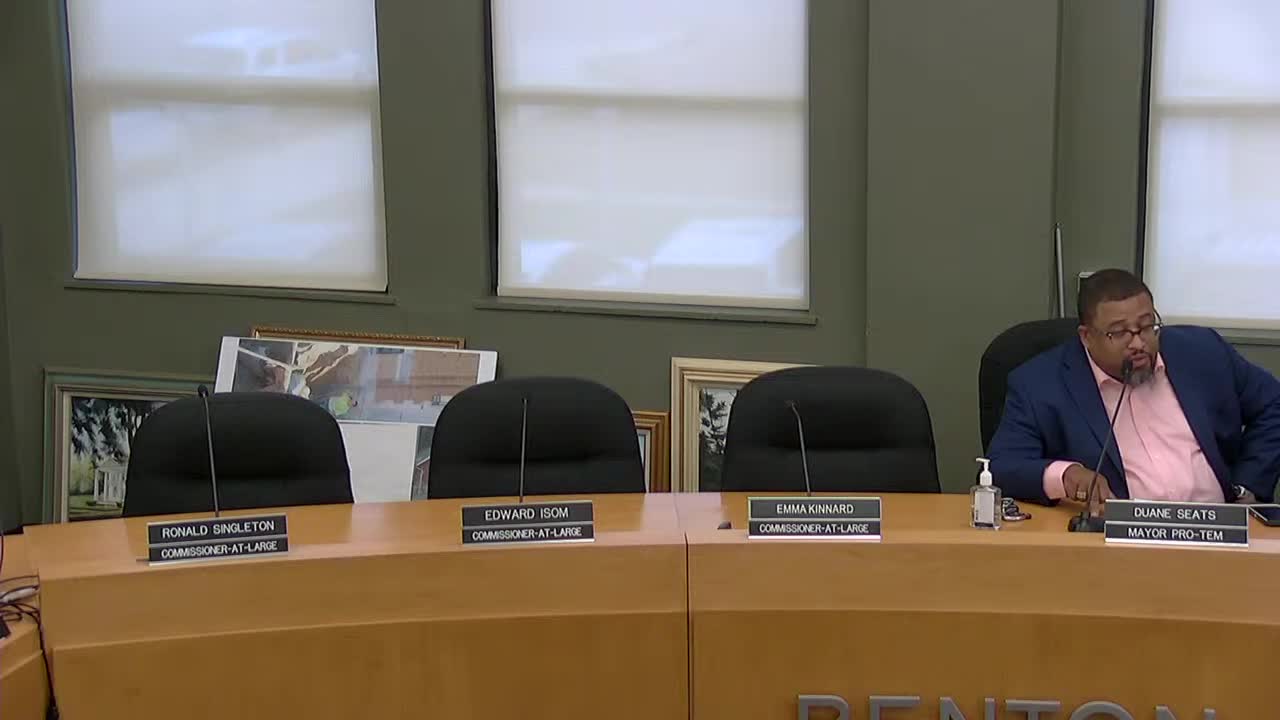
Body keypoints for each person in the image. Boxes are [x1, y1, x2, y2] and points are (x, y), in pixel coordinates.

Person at [988, 269, 1280, 506]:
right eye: (1119, 333)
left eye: (1146, 326)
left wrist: (1247, 486)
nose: (1138, 343)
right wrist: (1066, 475)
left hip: (1219, 532)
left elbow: (1273, 404)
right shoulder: (1039, 384)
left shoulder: (1202, 352)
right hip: (1117, 542)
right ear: (1086, 337)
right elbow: (1002, 466)